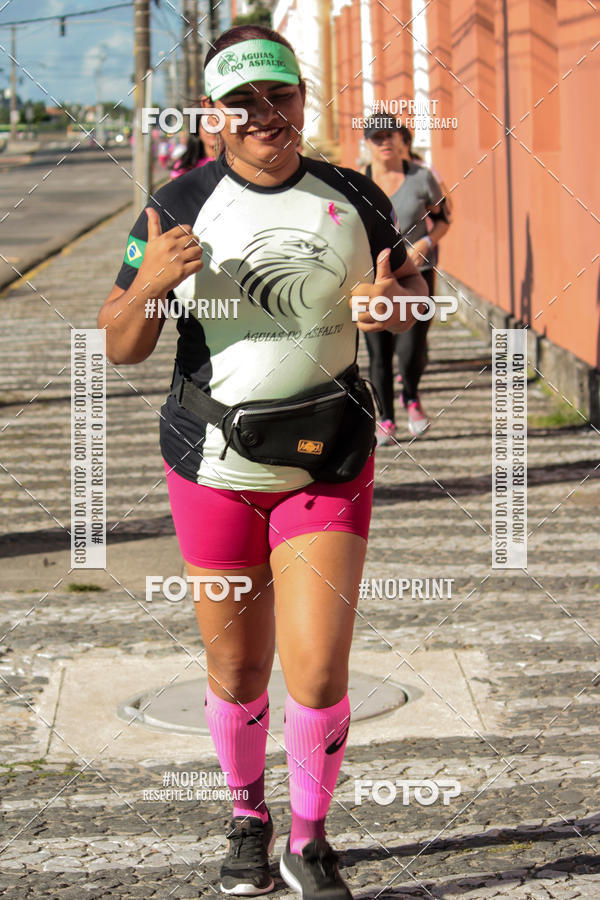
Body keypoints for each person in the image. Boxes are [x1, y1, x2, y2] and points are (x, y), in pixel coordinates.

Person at [98, 25, 426, 898]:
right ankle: (248, 819)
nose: (264, 117)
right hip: (212, 466)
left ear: (301, 98)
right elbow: (121, 345)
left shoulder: (354, 195)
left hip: (329, 456)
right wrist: (148, 287)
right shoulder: (175, 206)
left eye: (278, 96)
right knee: (237, 670)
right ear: (215, 115)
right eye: (242, 104)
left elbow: (406, 297)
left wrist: (393, 309)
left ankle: (310, 840)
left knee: (317, 670)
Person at [363, 119, 451, 440]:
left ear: (402, 140)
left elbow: (443, 219)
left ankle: (411, 396)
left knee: (412, 349)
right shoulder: (359, 181)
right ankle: (386, 418)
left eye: (391, 135)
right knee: (379, 352)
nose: (385, 142)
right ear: (367, 143)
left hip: (419, 277)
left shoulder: (422, 177)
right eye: (377, 137)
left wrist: (427, 243)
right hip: (375, 280)